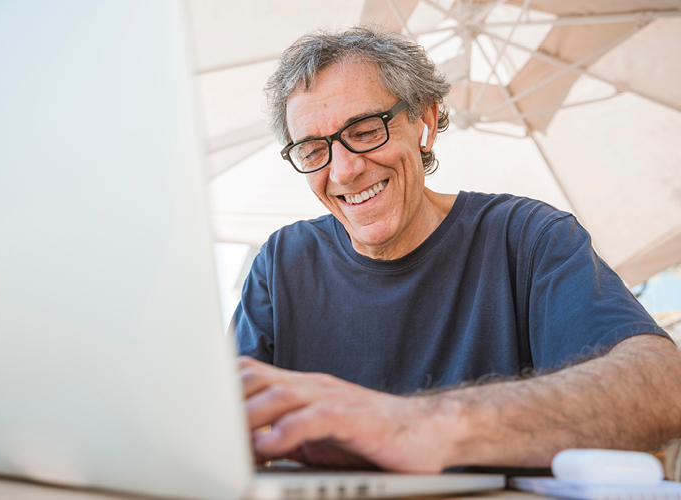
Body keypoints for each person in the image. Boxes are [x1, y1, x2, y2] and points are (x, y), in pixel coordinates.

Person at [231, 25, 681, 472]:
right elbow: (219, 421)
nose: (344, 171)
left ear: (424, 123)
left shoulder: (527, 238)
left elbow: (662, 386)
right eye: (313, 150)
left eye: (366, 130)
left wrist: (413, 425)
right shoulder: (280, 263)